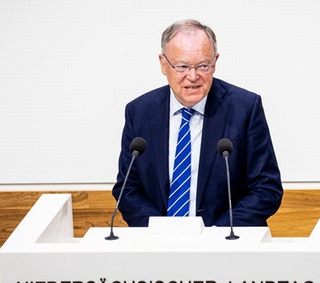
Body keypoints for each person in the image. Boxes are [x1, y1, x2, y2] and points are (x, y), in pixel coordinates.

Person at [113, 19, 282, 227]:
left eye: (202, 66)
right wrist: (161, 231)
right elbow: (127, 189)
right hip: (158, 246)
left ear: (215, 62)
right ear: (163, 64)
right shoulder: (139, 112)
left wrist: (212, 236)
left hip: (227, 245)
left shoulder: (244, 108)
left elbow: (266, 188)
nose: (192, 76)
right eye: (182, 66)